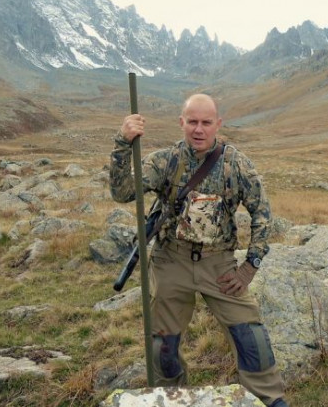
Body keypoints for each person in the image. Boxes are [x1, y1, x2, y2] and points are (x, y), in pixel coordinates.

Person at [109, 93, 288, 407]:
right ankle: (170, 397)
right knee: (163, 346)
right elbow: (122, 192)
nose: (199, 129)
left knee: (251, 338)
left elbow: (262, 214)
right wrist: (123, 143)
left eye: (206, 122)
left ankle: (270, 400)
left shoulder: (236, 164)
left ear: (218, 124)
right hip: (170, 261)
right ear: (182, 122)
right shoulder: (165, 161)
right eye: (192, 121)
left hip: (219, 265)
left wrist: (249, 267)